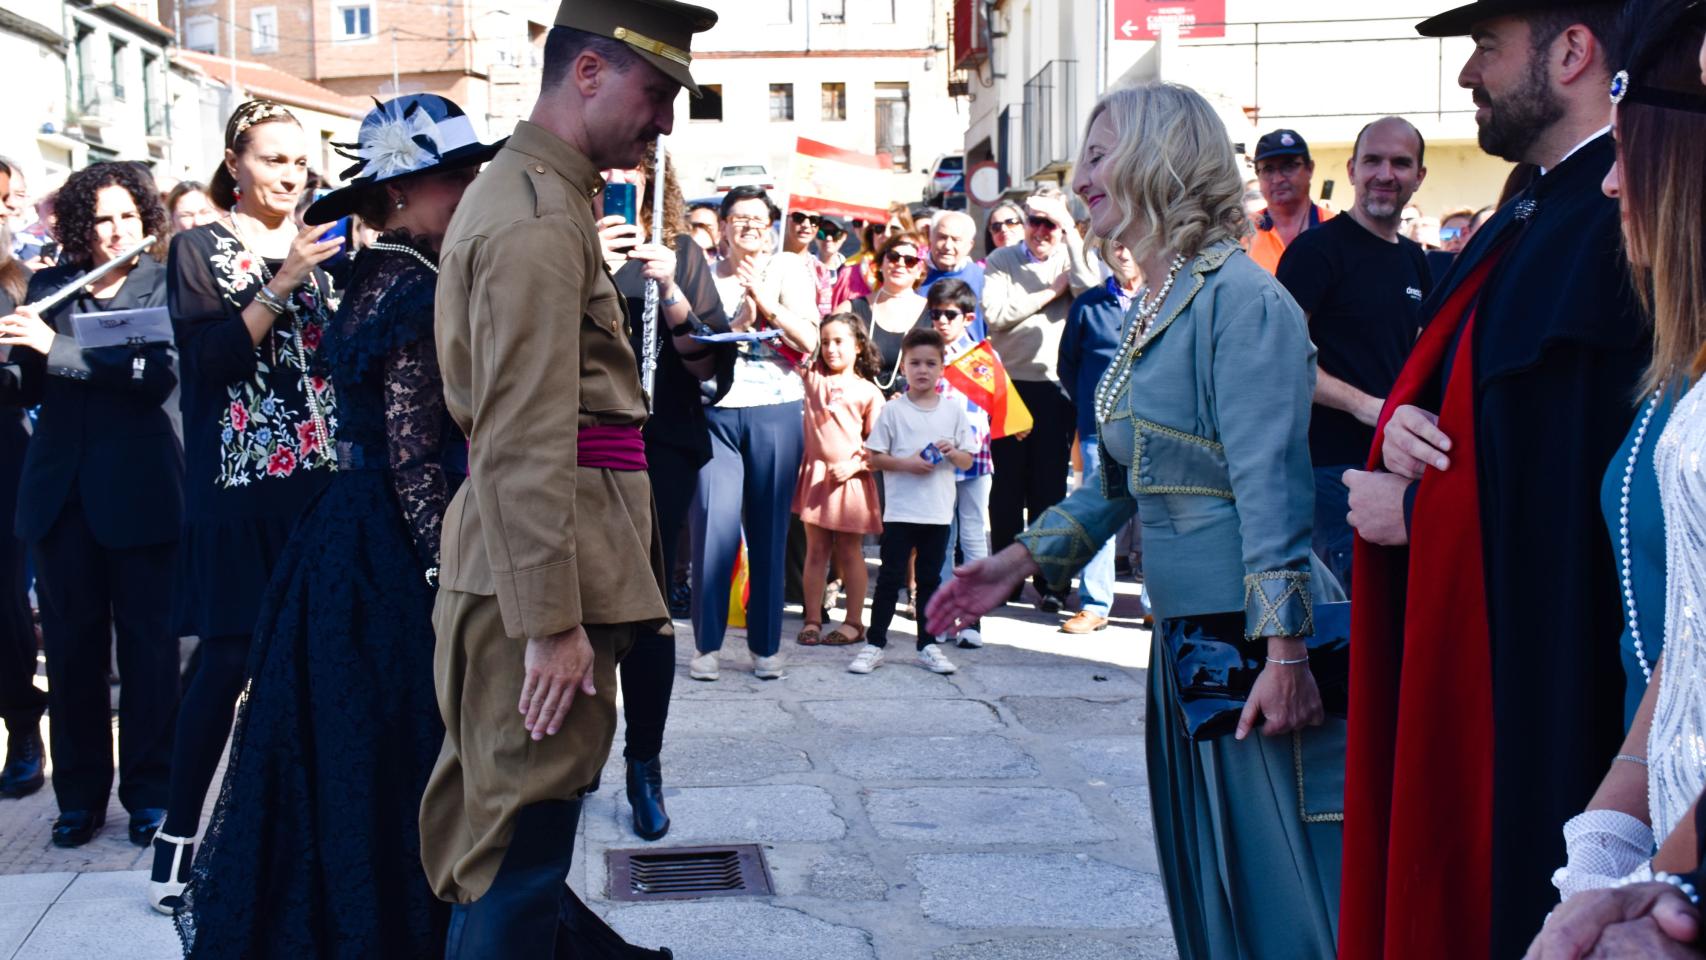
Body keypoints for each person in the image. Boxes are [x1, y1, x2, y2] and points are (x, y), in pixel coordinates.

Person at [928, 82, 1343, 959]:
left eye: (1100, 154)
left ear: (1164, 157)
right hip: (1193, 633)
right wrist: (1014, 561)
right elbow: (1123, 479)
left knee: (1280, 892)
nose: (1081, 178)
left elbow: (1272, 490)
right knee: (1216, 885)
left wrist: (1286, 655)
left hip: (1247, 639)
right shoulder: (1169, 295)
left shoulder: (1241, 298)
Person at [1338, 3, 1650, 957]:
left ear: (1571, 51)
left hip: (1548, 683)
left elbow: (1585, 489)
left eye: (1486, 47)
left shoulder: (1608, 223)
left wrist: (1419, 511)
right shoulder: (1535, 207)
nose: (1469, 75)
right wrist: (1402, 427)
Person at [168, 94, 498, 954]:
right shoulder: (391, 282)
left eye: (472, 173)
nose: (470, 189)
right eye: (454, 177)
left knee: (342, 724)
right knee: (309, 696)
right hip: (295, 504)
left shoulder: (365, 268)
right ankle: (191, 834)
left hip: (332, 504)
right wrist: (445, 570)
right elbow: (410, 453)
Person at [420, 4, 716, 954]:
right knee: (514, 860)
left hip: (547, 561)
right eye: (655, 92)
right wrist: (550, 624)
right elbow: (521, 436)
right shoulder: (537, 218)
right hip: (542, 584)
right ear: (588, 72)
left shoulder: (541, 196)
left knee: (515, 848)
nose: (664, 121)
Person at [1543, 0, 1706, 913]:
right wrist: (1605, 853)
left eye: (1626, 150)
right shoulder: (1682, 366)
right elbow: (1684, 647)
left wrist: (1665, 882)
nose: (1609, 184)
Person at [160, 99, 342, 899]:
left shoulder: (330, 248)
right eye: (272, 159)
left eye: (298, 161)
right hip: (237, 487)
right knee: (229, 660)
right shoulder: (198, 247)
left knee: (321, 660)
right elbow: (211, 362)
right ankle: (177, 837)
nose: (289, 175)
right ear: (234, 163)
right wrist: (286, 278)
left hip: (322, 485)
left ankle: (305, 839)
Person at [0, 161, 180, 850]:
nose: (116, 232)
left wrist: (56, 347)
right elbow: (27, 386)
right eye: (102, 219)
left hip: (139, 492)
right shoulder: (50, 287)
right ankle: (78, 799)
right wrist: (15, 358)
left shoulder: (161, 284)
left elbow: (152, 378)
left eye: (128, 217)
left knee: (148, 653)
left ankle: (151, 794)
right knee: (73, 654)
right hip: (59, 497)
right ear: (80, 225)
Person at [598, 143, 733, 843]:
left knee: (647, 606)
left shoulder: (679, 250)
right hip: (581, 440)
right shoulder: (560, 241)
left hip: (659, 443)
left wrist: (674, 291)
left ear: (652, 176)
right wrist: (586, 263)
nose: (615, 178)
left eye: (630, 167)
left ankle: (643, 762)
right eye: (605, 165)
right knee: (581, 603)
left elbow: (709, 366)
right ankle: (574, 756)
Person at [1274, 116, 1434, 594]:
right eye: (1373, 161)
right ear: (1351, 170)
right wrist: (1369, 408)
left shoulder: (1415, 259)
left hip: (1394, 470)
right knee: (1347, 611)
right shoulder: (1316, 251)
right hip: (1328, 470)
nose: (1385, 174)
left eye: (1400, 163)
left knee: (1386, 607)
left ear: (1419, 176)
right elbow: (1282, 359)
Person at [688, 185, 819, 683]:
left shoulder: (788, 267)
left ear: (771, 226)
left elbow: (809, 340)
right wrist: (735, 323)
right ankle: (707, 644)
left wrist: (767, 305)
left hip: (775, 409)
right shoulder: (703, 272)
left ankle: (765, 646)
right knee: (713, 528)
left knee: (769, 531)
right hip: (716, 412)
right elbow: (692, 340)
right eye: (738, 218)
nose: (748, 227)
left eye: (758, 219)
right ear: (722, 226)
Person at [982, 188, 1100, 612]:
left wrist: (1070, 235)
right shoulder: (1002, 259)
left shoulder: (1073, 254)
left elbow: (1092, 292)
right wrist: (1052, 290)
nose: (1041, 231)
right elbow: (995, 315)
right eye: (1035, 221)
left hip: (1055, 386)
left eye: (1051, 223)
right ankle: (1006, 579)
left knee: (1049, 489)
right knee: (1007, 489)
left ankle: (1052, 581)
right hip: (1009, 385)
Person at [849, 326, 974, 676]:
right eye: (915, 363)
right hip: (901, 512)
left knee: (930, 580)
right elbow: (874, 458)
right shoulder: (893, 411)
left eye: (930, 363)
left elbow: (968, 460)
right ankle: (875, 643)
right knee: (890, 578)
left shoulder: (953, 411)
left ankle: (928, 644)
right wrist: (909, 464)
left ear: (942, 368)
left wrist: (953, 453)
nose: (922, 370)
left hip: (938, 513)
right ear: (903, 367)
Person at [1056, 240, 1139, 634]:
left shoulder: (1165, 297)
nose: (1124, 252)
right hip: (1098, 428)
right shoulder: (1088, 304)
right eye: (1116, 245)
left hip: (1155, 425)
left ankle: (1158, 604)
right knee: (1099, 514)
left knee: (1157, 514)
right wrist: (1093, 405)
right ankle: (1094, 604)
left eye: (1131, 242)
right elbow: (1068, 365)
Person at [794, 312, 884, 647]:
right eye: (825, 342)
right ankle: (812, 618)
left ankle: (854, 622)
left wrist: (855, 466)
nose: (831, 348)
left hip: (851, 482)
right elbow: (795, 347)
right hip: (816, 478)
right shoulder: (813, 379)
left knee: (849, 551)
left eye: (839, 341)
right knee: (816, 550)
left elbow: (879, 446)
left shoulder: (869, 392)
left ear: (858, 346)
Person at [0, 159, 43, 803]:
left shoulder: (20, 282)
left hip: (4, 452)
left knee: (4, 605)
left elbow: (31, 384)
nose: (6, 210)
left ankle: (23, 726)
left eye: (8, 198)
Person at [925, 279, 995, 648]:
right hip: (936, 462)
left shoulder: (982, 358)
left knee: (972, 537)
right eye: (935, 314)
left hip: (975, 460)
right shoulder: (926, 355)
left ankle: (971, 619)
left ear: (968, 318)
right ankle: (939, 615)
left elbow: (998, 406)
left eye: (949, 314)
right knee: (940, 538)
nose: (941, 321)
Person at [850, 231, 928, 395]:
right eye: (893, 257)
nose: (900, 264)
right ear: (880, 264)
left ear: (920, 270)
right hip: (860, 403)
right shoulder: (851, 309)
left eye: (910, 260)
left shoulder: (935, 314)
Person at [1247, 128, 1335, 274]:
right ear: (1258, 175)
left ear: (1310, 168)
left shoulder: (1335, 229)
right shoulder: (1242, 232)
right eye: (1268, 169)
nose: (1278, 179)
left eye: (1288, 166)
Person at [919, 210, 987, 340]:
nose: (948, 246)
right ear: (930, 237)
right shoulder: (914, 274)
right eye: (942, 237)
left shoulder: (983, 279)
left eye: (956, 240)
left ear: (970, 245)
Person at [783, 210, 838, 317]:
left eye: (814, 220)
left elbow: (823, 315)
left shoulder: (820, 270)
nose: (806, 225)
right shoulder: (768, 259)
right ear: (786, 219)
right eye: (799, 218)